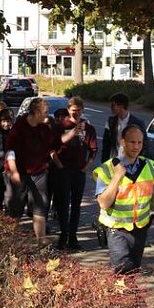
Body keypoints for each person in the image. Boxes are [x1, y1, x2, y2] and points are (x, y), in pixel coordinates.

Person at [94, 124, 154, 273]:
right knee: (122, 269)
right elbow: (104, 203)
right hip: (116, 229)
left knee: (134, 270)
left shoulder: (148, 167)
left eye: (139, 142)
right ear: (123, 142)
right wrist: (118, 176)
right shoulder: (107, 169)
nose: (136, 146)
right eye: (132, 142)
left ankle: (130, 296)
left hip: (140, 228)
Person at [4, 97, 66, 240]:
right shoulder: (19, 126)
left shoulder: (44, 128)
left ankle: (41, 241)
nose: (47, 114)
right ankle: (10, 242)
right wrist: (14, 172)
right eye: (45, 112)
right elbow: (10, 150)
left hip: (38, 172)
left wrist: (72, 133)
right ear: (36, 112)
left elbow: (55, 143)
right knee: (15, 209)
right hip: (18, 172)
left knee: (40, 206)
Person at [52, 97, 97, 251]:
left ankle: (73, 236)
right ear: (68, 110)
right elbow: (52, 147)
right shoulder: (60, 126)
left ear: (82, 110)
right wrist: (59, 165)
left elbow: (93, 149)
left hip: (79, 170)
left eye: (79, 110)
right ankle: (63, 235)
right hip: (63, 170)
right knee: (63, 204)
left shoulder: (88, 128)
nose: (76, 113)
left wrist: (87, 166)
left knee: (76, 205)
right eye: (73, 110)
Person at [100, 92, 146, 161]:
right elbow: (106, 145)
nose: (111, 108)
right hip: (114, 161)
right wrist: (104, 162)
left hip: (131, 162)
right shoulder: (111, 122)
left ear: (121, 106)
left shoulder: (138, 123)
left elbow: (144, 145)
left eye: (113, 105)